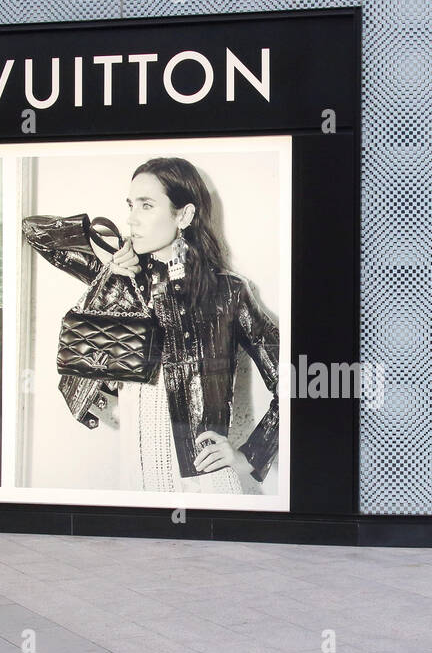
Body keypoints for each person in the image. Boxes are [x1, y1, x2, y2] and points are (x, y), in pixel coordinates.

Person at [23, 157, 278, 493]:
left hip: (204, 483)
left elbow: (293, 381)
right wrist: (110, 275)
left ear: (184, 215)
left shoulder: (228, 292)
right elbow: (34, 230)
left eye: (146, 205)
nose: (131, 219)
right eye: (130, 205)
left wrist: (249, 456)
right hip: (135, 479)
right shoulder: (122, 280)